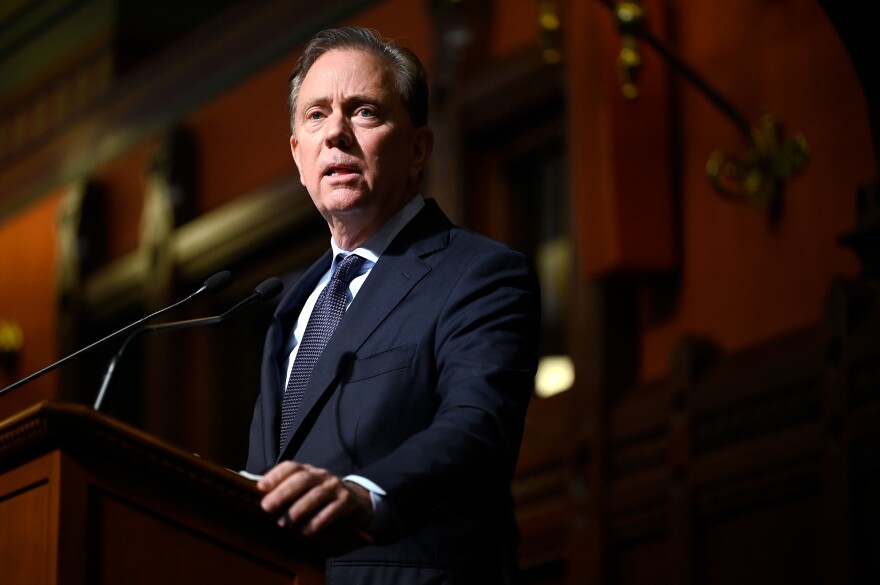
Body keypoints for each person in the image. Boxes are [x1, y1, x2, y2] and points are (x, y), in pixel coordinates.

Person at [245, 26, 540, 584]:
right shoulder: (289, 307)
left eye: (363, 112)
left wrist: (365, 494)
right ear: (297, 155)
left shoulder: (478, 274)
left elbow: (477, 429)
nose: (335, 133)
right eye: (315, 116)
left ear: (418, 149)